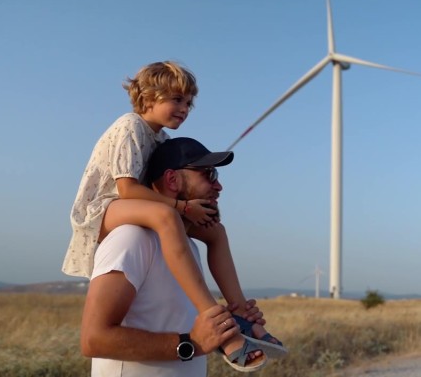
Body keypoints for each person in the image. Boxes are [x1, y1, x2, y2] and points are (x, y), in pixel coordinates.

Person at [63, 62, 285, 369]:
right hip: (104, 208)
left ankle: (240, 314)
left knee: (215, 232)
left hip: (139, 205)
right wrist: (181, 207)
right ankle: (213, 316)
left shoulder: (162, 140)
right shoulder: (130, 126)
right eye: (176, 99)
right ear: (149, 97)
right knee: (164, 218)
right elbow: (127, 189)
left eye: (188, 102)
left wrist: (199, 207)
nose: (184, 108)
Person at [80, 137, 272, 376]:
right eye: (208, 174)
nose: (219, 186)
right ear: (172, 179)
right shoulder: (131, 239)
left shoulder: (187, 245)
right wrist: (191, 344)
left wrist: (225, 322)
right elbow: (93, 339)